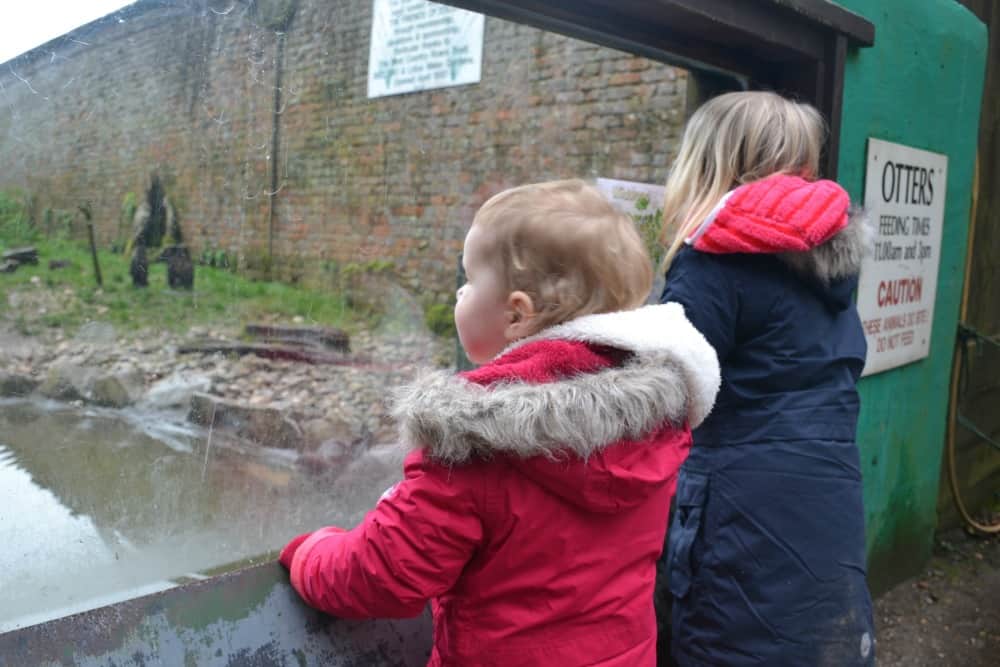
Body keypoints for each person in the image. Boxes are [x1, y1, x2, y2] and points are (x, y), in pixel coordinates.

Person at [279, 179, 720, 666]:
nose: (458, 292)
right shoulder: (650, 428)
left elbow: (384, 572)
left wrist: (309, 553)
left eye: (467, 280)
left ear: (516, 315)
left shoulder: (474, 444)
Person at [657, 90, 875, 666]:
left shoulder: (714, 264)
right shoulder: (831, 268)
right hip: (827, 506)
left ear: (707, 163)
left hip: (739, 522)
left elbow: (657, 395)